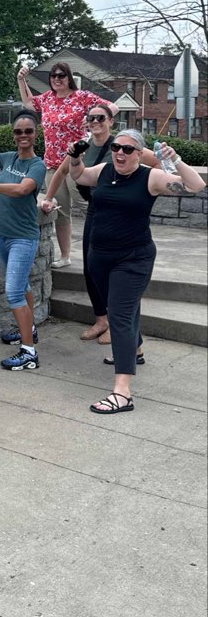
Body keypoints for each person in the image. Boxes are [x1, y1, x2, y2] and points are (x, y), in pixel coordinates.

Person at [68, 130, 205, 414]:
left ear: (140, 154)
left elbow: (195, 185)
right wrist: (75, 158)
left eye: (128, 150)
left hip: (133, 258)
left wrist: (175, 159)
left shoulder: (149, 177)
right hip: (100, 257)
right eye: (117, 147)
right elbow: (80, 176)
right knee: (121, 308)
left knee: (119, 315)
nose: (120, 153)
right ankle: (136, 350)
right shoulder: (105, 170)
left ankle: (122, 392)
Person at [41, 104, 157, 345]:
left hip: (123, 216)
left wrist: (140, 190)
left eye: (101, 118)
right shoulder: (83, 146)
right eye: (91, 117)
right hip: (96, 210)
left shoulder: (123, 144)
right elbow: (63, 171)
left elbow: (155, 164)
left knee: (121, 275)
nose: (95, 121)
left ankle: (117, 324)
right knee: (92, 269)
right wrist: (49, 198)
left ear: (110, 121)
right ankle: (101, 319)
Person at [17, 60, 118, 267]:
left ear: (69, 77)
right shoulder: (47, 99)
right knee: (60, 212)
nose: (57, 79)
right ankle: (65, 256)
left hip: (76, 162)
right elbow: (29, 103)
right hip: (52, 163)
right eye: (53, 76)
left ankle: (107, 250)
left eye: (61, 75)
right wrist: (21, 80)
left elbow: (112, 107)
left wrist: (91, 120)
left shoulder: (81, 97)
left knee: (89, 205)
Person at [0, 106, 46, 370]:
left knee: (14, 292)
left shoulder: (36, 165)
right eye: (18, 131)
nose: (22, 135)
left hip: (22, 238)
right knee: (22, 286)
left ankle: (28, 353)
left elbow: (21, 189)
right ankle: (30, 330)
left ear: (35, 134)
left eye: (28, 131)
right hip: (3, 235)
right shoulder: (10, 158)